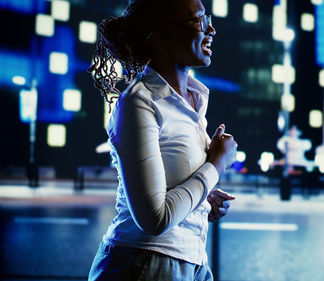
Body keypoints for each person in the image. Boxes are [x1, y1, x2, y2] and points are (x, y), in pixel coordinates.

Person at [87, 0, 237, 280]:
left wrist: (203, 198)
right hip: (144, 264)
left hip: (191, 262)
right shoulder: (139, 102)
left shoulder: (193, 100)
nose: (212, 29)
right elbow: (155, 219)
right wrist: (215, 165)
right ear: (162, 34)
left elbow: (169, 184)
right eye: (199, 21)